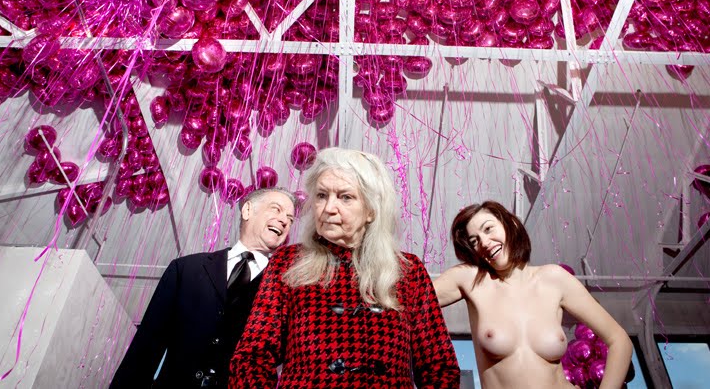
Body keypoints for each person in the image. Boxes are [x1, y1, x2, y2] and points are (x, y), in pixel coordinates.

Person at [228, 148, 460, 388]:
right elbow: (252, 358)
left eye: (345, 197)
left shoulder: (408, 271)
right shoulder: (287, 263)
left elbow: (440, 368)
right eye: (321, 195)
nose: (328, 208)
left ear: (371, 210)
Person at [433, 200, 632, 389]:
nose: (484, 242)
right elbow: (415, 298)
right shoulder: (470, 279)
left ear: (511, 225)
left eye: (488, 229)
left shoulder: (554, 278)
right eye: (474, 241)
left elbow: (619, 340)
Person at [110, 187, 296, 388]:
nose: (284, 221)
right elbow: (145, 349)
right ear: (248, 210)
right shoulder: (186, 268)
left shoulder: (286, 289)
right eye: (276, 209)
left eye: (290, 219)